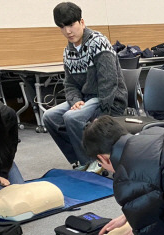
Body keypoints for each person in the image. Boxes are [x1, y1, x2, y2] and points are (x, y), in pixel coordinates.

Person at [42, 2, 127, 173]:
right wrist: (76, 101)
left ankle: (94, 161)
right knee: (49, 116)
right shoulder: (68, 51)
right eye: (62, 27)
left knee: (72, 118)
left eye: (71, 25)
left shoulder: (98, 42)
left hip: (109, 99)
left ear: (82, 22)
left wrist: (102, 116)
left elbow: (108, 82)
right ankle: (79, 159)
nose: (68, 31)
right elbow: (70, 84)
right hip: (86, 99)